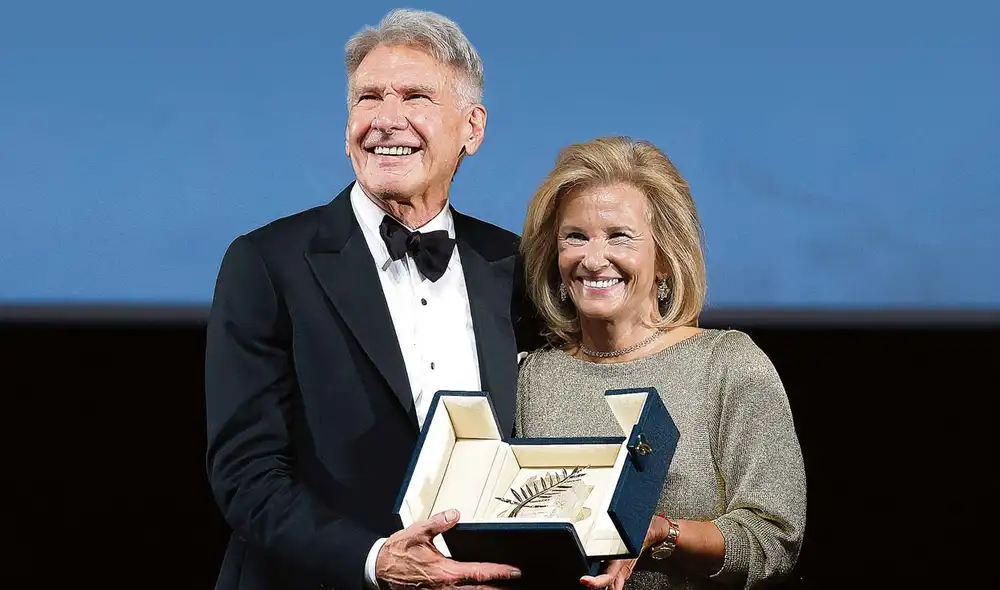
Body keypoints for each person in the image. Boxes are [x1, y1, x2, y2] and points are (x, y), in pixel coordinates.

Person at [204, 9, 544, 590]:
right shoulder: (267, 262)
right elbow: (245, 474)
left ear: (472, 127)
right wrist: (376, 560)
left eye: (415, 97)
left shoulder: (514, 265)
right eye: (367, 99)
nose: (387, 121)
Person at [515, 136, 807, 589]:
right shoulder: (531, 377)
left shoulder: (727, 365)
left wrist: (662, 533)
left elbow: (774, 540)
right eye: (575, 237)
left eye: (619, 237)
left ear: (666, 258)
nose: (593, 260)